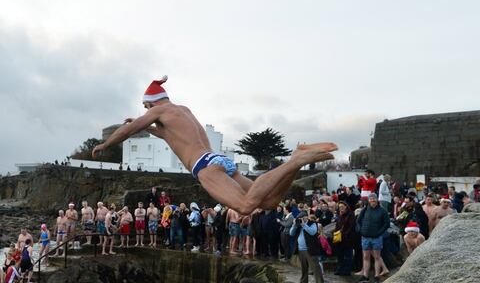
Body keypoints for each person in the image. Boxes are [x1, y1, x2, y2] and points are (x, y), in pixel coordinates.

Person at [91, 76, 337, 215]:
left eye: (146, 108)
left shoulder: (159, 110)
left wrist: (106, 144)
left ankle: (294, 160)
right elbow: (169, 137)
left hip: (205, 167)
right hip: (218, 160)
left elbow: (127, 130)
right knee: (269, 203)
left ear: (152, 103)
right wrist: (147, 127)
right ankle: (294, 163)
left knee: (245, 206)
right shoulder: (182, 111)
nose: (145, 112)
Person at [356, 193, 390, 283]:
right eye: (371, 199)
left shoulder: (382, 211)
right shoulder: (365, 209)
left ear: (377, 200)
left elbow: (387, 223)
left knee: (377, 257)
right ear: (368, 200)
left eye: (374, 199)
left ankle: (376, 276)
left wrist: (379, 232)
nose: (372, 201)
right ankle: (365, 276)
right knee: (366, 257)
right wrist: (360, 230)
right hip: (365, 237)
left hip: (376, 237)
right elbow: (358, 221)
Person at [290, 210, 325, 283]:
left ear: (306, 217)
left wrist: (304, 224)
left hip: (310, 249)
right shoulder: (298, 224)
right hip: (300, 249)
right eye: (300, 218)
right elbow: (291, 233)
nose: (301, 219)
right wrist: (295, 225)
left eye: (303, 217)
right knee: (303, 268)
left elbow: (312, 232)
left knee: (315, 267)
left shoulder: (312, 223)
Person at [333, 201, 358, 276]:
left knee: (348, 255)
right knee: (340, 255)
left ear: (346, 207)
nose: (341, 208)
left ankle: (347, 270)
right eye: (340, 207)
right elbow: (337, 225)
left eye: (342, 207)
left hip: (348, 238)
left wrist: (345, 233)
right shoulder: (339, 215)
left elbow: (351, 226)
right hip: (339, 238)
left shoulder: (350, 215)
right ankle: (340, 269)